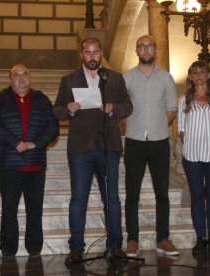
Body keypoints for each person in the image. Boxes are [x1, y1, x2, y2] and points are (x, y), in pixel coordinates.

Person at [53, 37, 133, 265]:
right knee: (79, 199)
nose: (92, 57)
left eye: (95, 52)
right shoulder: (69, 80)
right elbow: (56, 110)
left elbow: (128, 106)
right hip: (80, 149)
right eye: (87, 53)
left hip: (109, 147)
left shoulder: (114, 78)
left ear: (100, 53)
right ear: (81, 54)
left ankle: (116, 245)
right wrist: (67, 109)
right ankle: (76, 248)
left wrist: (113, 109)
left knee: (113, 199)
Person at [0, 64, 59, 262]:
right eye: (16, 75)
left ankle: (34, 248)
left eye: (25, 74)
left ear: (30, 77)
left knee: (35, 208)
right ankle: (9, 250)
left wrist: (36, 143)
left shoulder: (42, 100)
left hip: (36, 164)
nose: (21, 78)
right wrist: (14, 142)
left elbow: (53, 127)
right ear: (10, 79)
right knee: (9, 208)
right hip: (10, 164)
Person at [123, 35, 179, 257]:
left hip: (159, 142)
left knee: (162, 193)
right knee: (132, 194)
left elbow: (172, 109)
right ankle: (132, 240)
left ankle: (163, 238)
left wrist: (156, 126)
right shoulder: (126, 78)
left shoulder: (166, 78)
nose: (146, 49)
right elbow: (122, 109)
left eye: (150, 46)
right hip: (134, 141)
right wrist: (138, 125)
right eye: (142, 46)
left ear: (155, 50)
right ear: (137, 51)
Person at [177, 60, 210, 256]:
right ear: (190, 77)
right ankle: (201, 237)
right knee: (197, 196)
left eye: (202, 71)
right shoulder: (184, 100)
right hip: (192, 156)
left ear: (208, 75)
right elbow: (181, 130)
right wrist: (193, 144)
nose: (198, 75)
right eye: (194, 72)